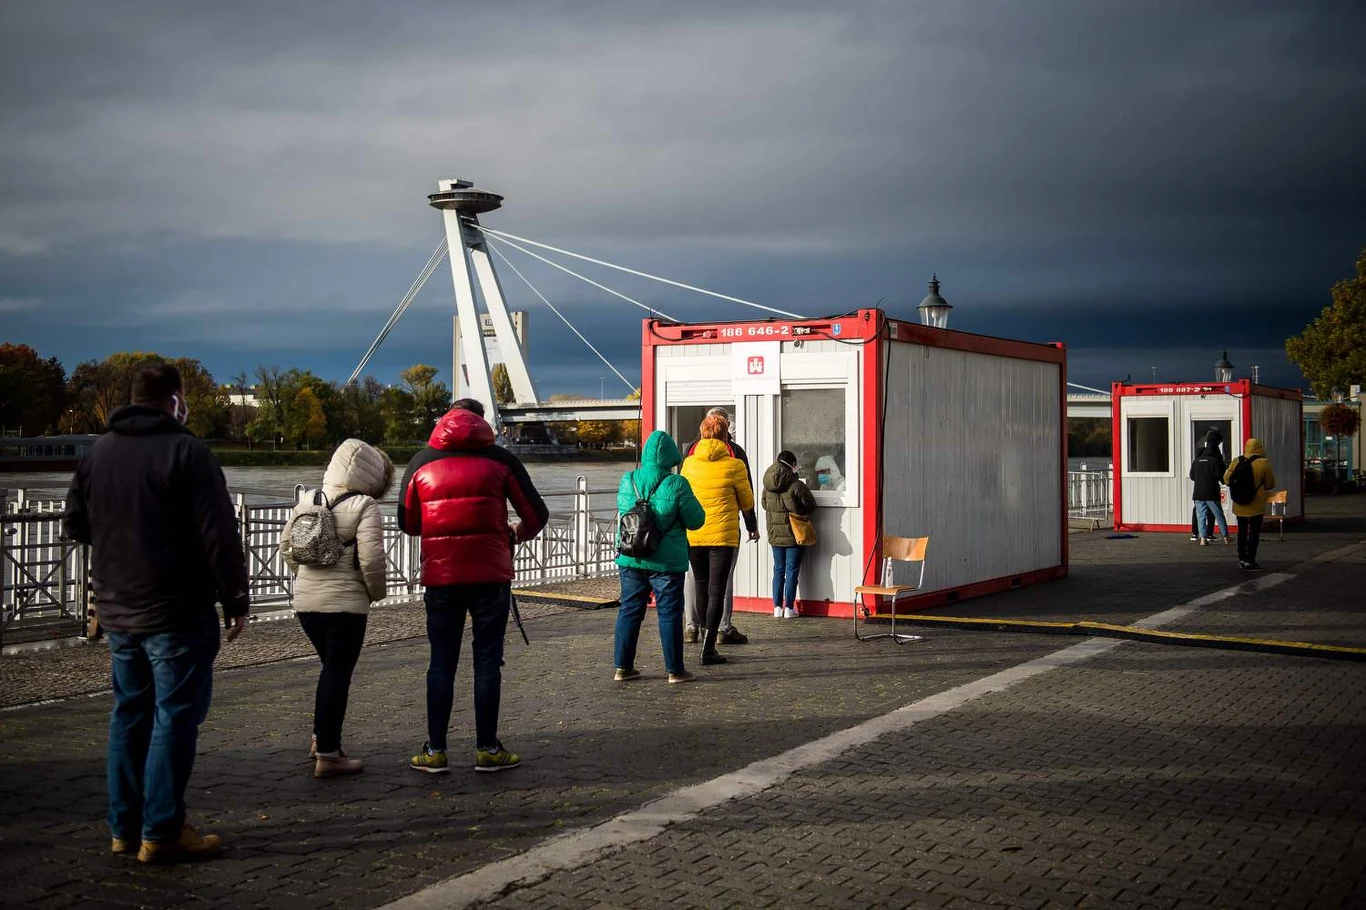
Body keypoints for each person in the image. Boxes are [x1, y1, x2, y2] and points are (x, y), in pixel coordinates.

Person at [62, 363, 249, 864]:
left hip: (118, 608)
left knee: (129, 714)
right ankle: (162, 830)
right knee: (175, 718)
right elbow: (219, 535)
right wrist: (236, 601)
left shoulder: (98, 452)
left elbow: (75, 524)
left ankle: (124, 828)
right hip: (177, 609)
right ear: (175, 398)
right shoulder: (188, 452)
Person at [399, 398, 548, 774]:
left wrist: (434, 528)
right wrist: (516, 533)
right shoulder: (502, 461)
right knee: (486, 662)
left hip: (442, 578)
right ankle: (487, 749)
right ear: (483, 423)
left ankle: (435, 751)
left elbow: (407, 522)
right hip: (489, 577)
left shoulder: (421, 462)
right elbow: (537, 514)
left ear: (444, 420)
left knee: (441, 663)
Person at [281, 438, 393, 778]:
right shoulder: (364, 505)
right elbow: (372, 560)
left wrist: (304, 580)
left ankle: (321, 738)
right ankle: (329, 754)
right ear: (372, 474)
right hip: (345, 605)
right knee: (337, 674)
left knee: (330, 669)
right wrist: (374, 594)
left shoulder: (308, 499)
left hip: (306, 604)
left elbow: (287, 547)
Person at [613, 430, 706, 683]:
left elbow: (624, 512)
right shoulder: (676, 483)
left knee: (629, 610)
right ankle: (675, 670)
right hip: (666, 562)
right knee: (669, 613)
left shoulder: (628, 479)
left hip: (631, 556)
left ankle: (622, 667)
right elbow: (697, 520)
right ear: (671, 456)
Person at [681, 414, 756, 665]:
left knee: (701, 587)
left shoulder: (689, 464)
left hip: (695, 534)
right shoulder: (735, 465)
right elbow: (747, 502)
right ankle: (709, 647)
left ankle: (701, 634)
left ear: (702, 433)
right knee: (717, 591)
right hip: (723, 536)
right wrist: (752, 525)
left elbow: (682, 498)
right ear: (726, 435)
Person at [762, 451, 818, 618]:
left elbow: (765, 505)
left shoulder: (767, 485)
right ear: (792, 464)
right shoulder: (796, 484)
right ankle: (789, 608)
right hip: (794, 533)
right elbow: (810, 505)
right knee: (792, 570)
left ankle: (777, 608)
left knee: (778, 569)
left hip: (774, 533)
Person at [1223, 438, 1276, 571]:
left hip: (1239, 503)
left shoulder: (1237, 461)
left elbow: (1226, 479)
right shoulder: (1264, 463)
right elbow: (1270, 484)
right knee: (1254, 532)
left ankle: (1241, 558)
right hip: (1256, 504)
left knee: (1242, 531)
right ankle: (1250, 560)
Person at [1188, 437, 1230, 547]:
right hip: (1211, 492)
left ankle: (1203, 539)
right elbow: (1218, 475)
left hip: (1198, 492)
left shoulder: (1196, 461)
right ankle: (1226, 537)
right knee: (1219, 514)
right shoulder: (1213, 461)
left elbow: (1192, 476)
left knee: (1201, 516)